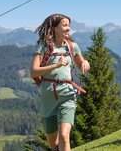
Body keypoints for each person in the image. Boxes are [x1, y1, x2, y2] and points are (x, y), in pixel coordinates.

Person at [31, 13, 90, 151]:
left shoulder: (72, 46)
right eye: (64, 25)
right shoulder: (43, 47)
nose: (68, 28)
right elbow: (33, 72)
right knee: (53, 143)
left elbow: (82, 66)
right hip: (48, 97)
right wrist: (56, 65)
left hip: (68, 94)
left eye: (69, 25)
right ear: (55, 28)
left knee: (64, 136)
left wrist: (85, 63)